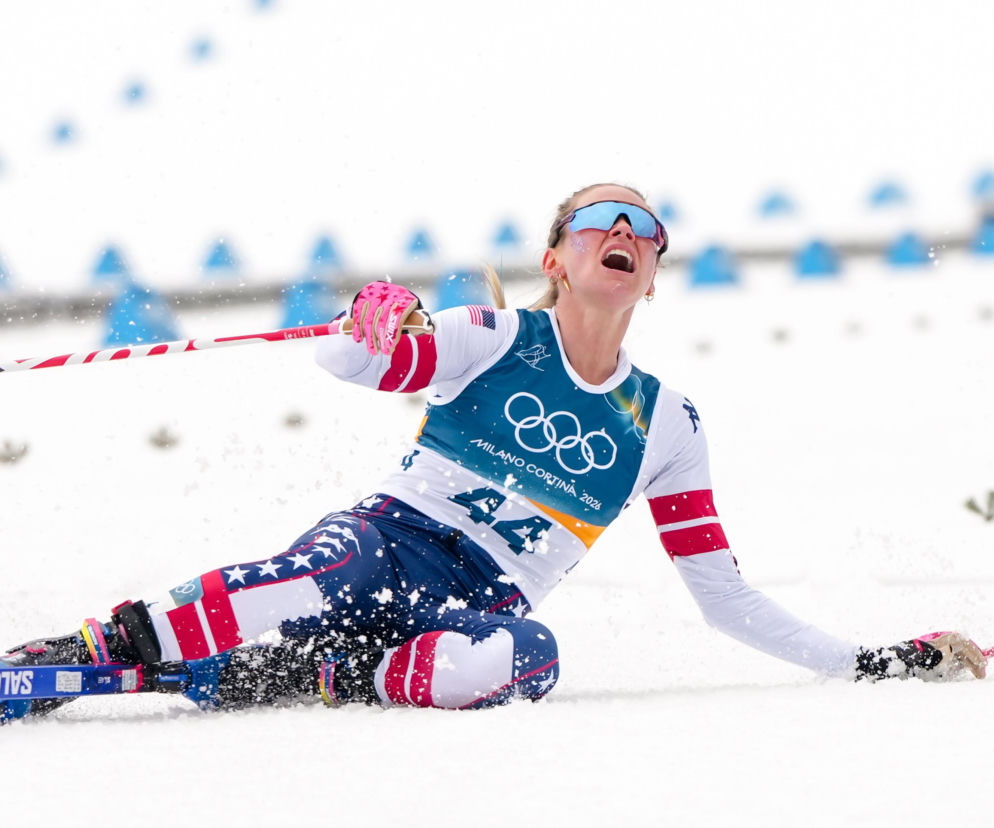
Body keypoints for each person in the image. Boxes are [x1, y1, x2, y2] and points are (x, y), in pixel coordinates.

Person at [2, 182, 987, 723]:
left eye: (643, 228)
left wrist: (872, 661)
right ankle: (88, 651)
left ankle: (319, 676)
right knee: (322, 573)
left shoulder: (668, 424)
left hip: (477, 606)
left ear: (648, 274)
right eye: (599, 219)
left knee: (528, 662)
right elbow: (354, 366)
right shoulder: (493, 334)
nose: (624, 232)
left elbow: (722, 596)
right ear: (557, 258)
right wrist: (367, 320)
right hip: (385, 545)